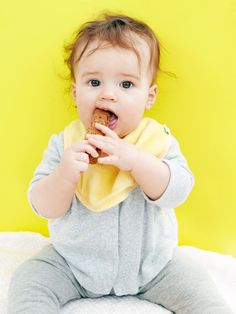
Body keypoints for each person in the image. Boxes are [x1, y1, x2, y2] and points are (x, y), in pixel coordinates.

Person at [7, 13, 233, 314]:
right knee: (28, 281)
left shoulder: (156, 141)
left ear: (148, 96)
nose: (108, 94)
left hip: (154, 267)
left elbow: (178, 190)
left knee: (205, 297)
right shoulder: (66, 144)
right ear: (76, 92)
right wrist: (64, 175)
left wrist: (136, 160)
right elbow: (42, 205)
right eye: (94, 81)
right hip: (73, 264)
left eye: (126, 84)